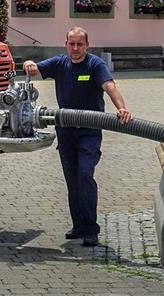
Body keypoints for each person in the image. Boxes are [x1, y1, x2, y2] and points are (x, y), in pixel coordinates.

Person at [22, 27, 131, 248]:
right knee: (72, 179)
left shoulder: (94, 65)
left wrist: (121, 108)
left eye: (79, 44)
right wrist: (28, 65)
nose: (75, 48)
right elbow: (33, 69)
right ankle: (79, 226)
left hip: (89, 131)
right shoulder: (60, 63)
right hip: (66, 131)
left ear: (87, 45)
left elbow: (110, 86)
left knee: (84, 175)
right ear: (66, 44)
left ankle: (91, 229)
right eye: (71, 44)